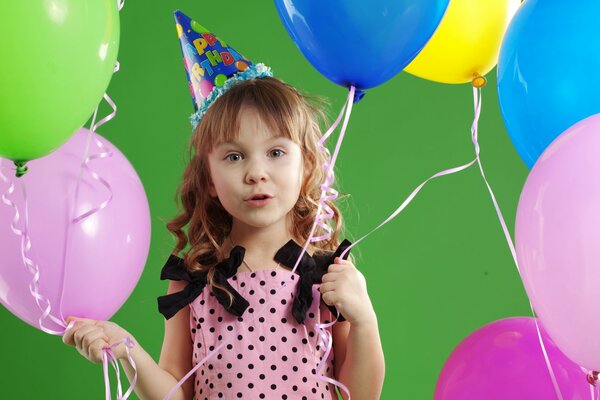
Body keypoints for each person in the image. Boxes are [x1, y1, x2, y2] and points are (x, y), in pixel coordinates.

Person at [63, 12, 384, 400]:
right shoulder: (193, 278)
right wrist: (126, 349)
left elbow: (361, 396)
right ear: (210, 181)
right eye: (234, 157)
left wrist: (364, 318)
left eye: (276, 152)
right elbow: (176, 392)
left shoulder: (328, 275)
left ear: (308, 166)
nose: (256, 173)